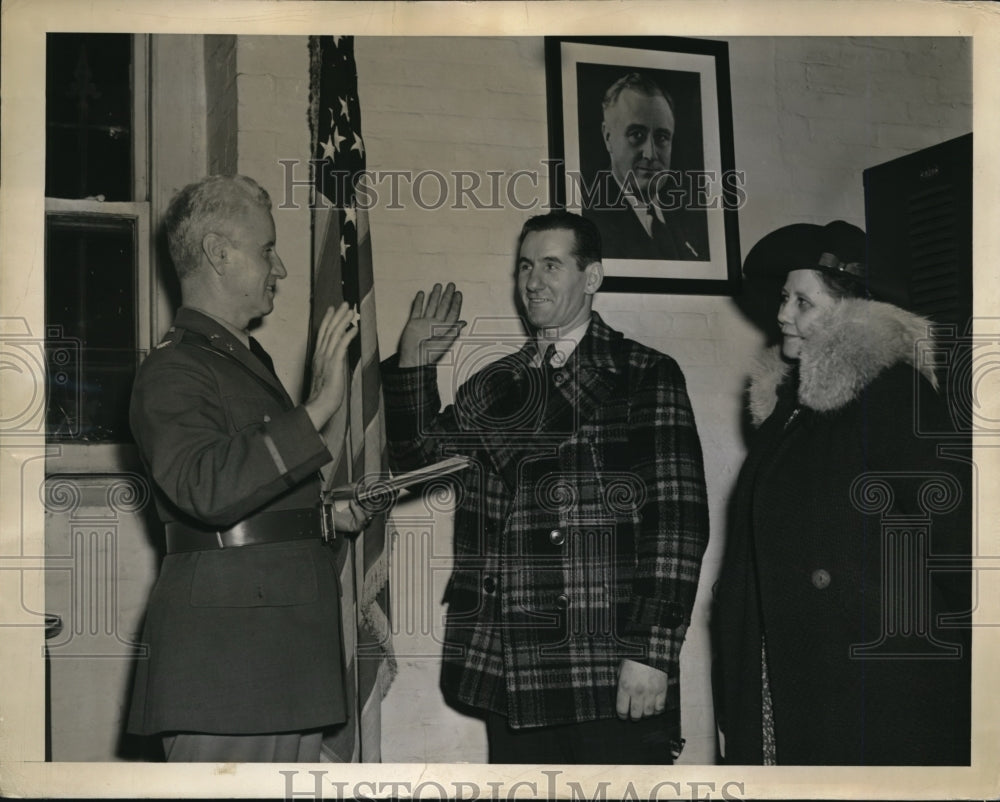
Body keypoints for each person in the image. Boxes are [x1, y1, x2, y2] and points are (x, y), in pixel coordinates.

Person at [381, 210, 709, 764]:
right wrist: (414, 362)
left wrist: (653, 651)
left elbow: (676, 523)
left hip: (606, 661)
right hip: (511, 662)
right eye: (525, 266)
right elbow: (417, 463)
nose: (533, 281)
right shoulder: (493, 382)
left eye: (552, 265)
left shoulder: (643, 373)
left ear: (592, 277)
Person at [127, 174, 368, 762]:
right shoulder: (174, 368)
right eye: (267, 249)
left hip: (277, 656)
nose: (280, 268)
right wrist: (317, 408)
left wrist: (325, 517)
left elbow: (258, 497)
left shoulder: (236, 362)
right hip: (231, 668)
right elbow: (203, 487)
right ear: (217, 253)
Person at [712, 220, 971, 765]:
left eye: (803, 301)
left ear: (855, 316)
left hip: (873, 693)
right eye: (784, 297)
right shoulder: (790, 412)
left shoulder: (896, 399)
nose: (782, 314)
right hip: (785, 677)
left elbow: (961, 549)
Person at [582, 72, 709, 262]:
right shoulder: (588, 221)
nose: (650, 154)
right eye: (636, 135)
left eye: (662, 137)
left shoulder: (690, 223)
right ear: (608, 137)